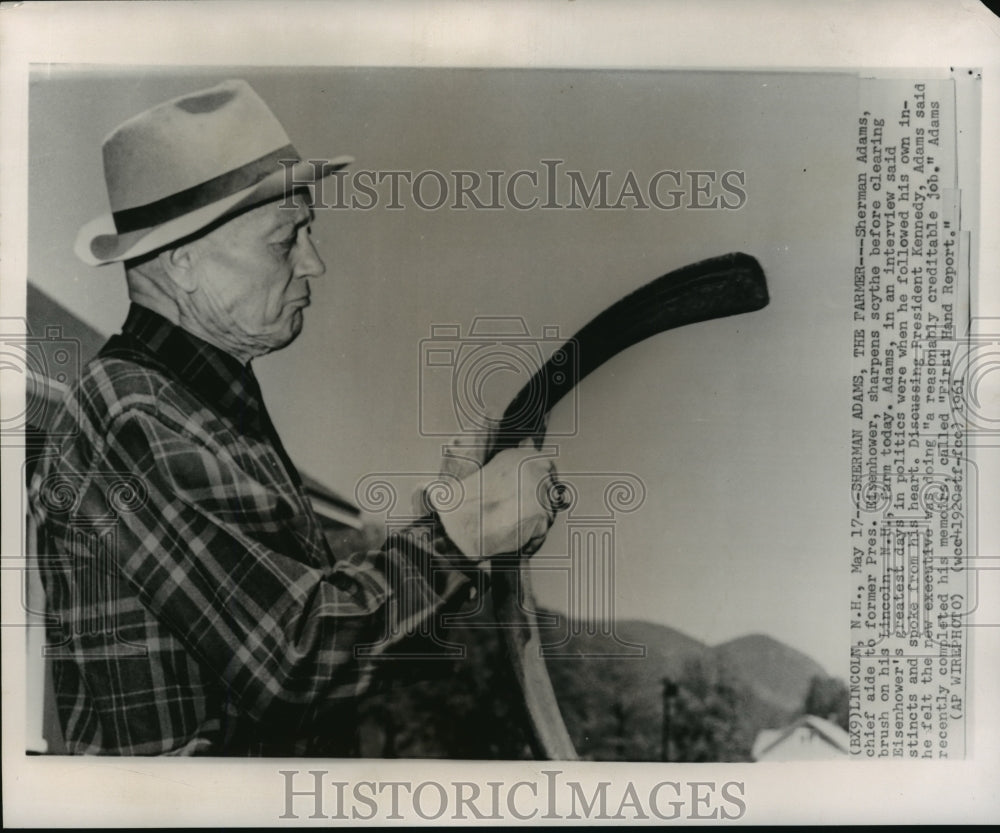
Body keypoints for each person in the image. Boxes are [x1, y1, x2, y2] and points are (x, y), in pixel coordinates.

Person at [28, 79, 557, 756]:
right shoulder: (135, 411)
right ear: (182, 263)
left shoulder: (198, 402)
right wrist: (460, 530)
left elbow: (341, 658)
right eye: (287, 239)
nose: (316, 262)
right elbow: (293, 658)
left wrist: (456, 520)